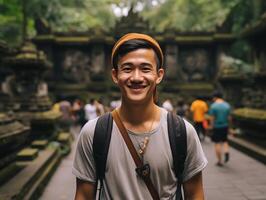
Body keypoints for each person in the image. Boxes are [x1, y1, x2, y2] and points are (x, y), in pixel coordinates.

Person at [73, 33, 207, 199]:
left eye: (145, 69)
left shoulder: (182, 132)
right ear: (115, 75)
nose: (136, 78)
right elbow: (83, 196)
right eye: (127, 69)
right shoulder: (93, 133)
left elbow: (195, 194)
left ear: (159, 75)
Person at [208, 91, 231, 167]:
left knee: (217, 143)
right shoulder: (227, 105)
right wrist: (229, 127)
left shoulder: (213, 106)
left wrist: (211, 126)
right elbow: (229, 118)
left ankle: (219, 161)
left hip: (217, 126)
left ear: (215, 97)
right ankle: (226, 151)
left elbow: (212, 118)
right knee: (225, 140)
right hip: (225, 125)